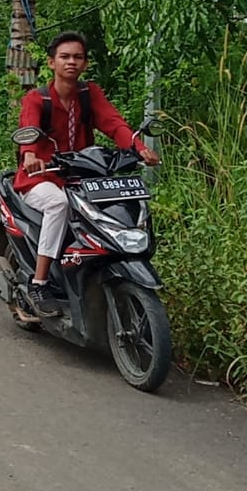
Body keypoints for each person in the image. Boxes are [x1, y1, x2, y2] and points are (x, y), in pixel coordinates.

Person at [14, 31, 159, 317]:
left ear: (85, 63)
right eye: (65, 57)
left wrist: (139, 148)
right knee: (58, 204)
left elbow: (113, 123)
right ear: (51, 63)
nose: (71, 62)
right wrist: (30, 155)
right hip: (42, 178)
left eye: (77, 57)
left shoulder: (89, 94)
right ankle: (39, 283)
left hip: (81, 177)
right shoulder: (37, 99)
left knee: (117, 205)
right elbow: (28, 128)